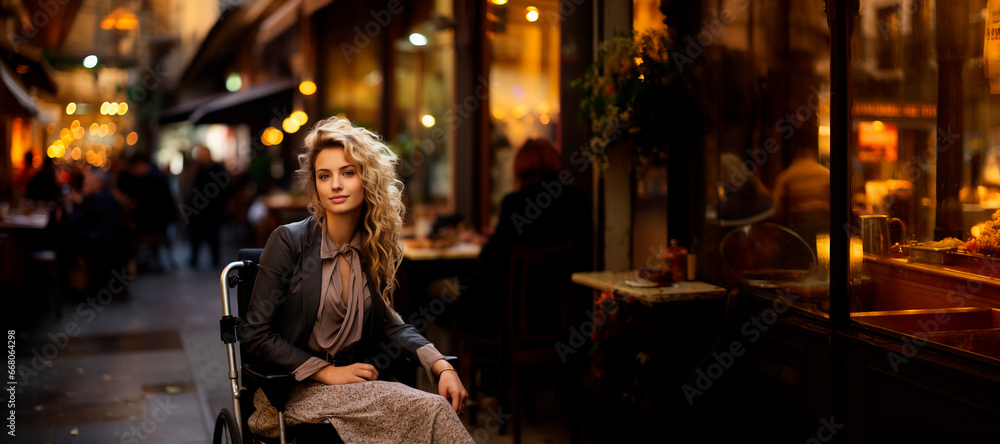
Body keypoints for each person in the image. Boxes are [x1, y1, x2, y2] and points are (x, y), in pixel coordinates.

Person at [241, 116, 474, 443]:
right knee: (430, 408)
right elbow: (255, 334)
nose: (335, 185)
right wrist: (326, 372)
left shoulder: (373, 245)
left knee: (424, 411)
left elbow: (390, 323)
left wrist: (440, 365)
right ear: (316, 186)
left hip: (355, 387)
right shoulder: (289, 242)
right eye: (325, 176)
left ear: (368, 179)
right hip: (288, 392)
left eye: (347, 173)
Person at [771, 145, 830, 247]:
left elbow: (776, 202)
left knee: (801, 250)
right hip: (821, 217)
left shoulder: (787, 174)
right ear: (813, 157)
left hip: (798, 220)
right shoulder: (825, 173)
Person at [185, 145, 228, 268]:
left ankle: (215, 259)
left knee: (214, 236)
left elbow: (224, 189)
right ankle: (194, 258)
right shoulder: (195, 170)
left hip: (213, 210)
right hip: (197, 209)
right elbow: (190, 188)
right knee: (195, 236)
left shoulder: (218, 169)